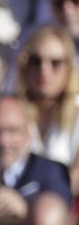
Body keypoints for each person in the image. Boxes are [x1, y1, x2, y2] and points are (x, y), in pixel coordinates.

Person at [14, 24, 79, 176]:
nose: (44, 70)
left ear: (69, 68)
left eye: (55, 63)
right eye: (36, 61)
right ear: (25, 65)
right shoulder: (10, 112)